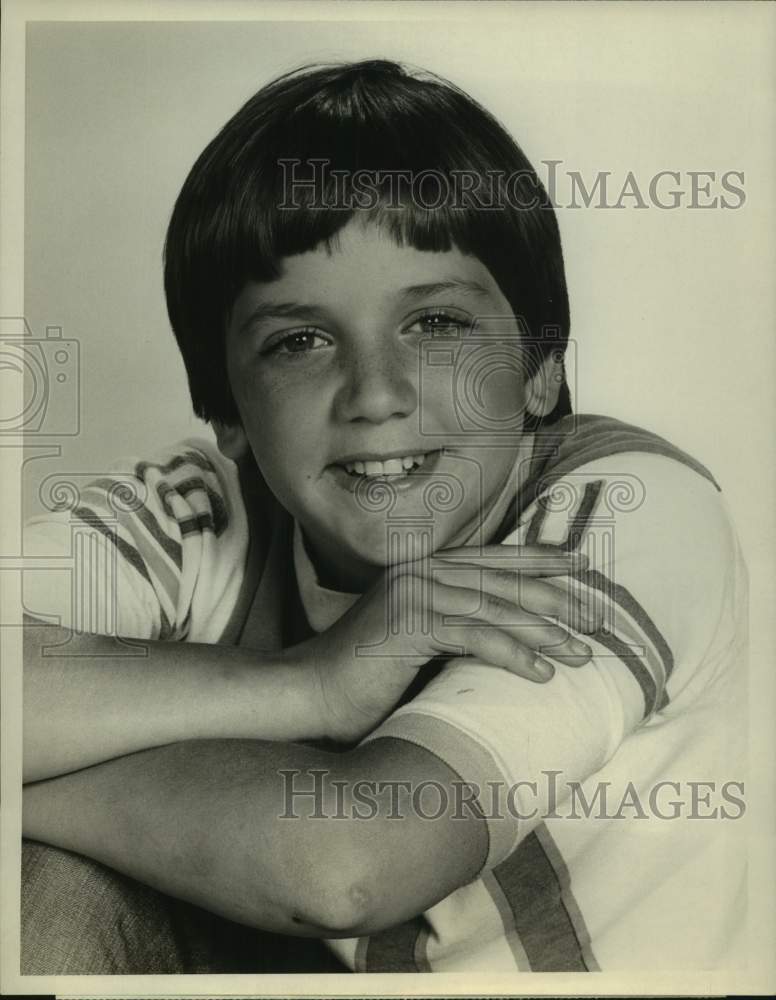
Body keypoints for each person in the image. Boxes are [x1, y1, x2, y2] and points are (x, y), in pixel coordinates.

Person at [21, 60, 747, 974]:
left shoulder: (625, 510)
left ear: (539, 365)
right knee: (49, 886)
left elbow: (351, 866)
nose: (376, 395)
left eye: (436, 324)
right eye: (300, 341)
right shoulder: (207, 510)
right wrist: (311, 683)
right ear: (228, 412)